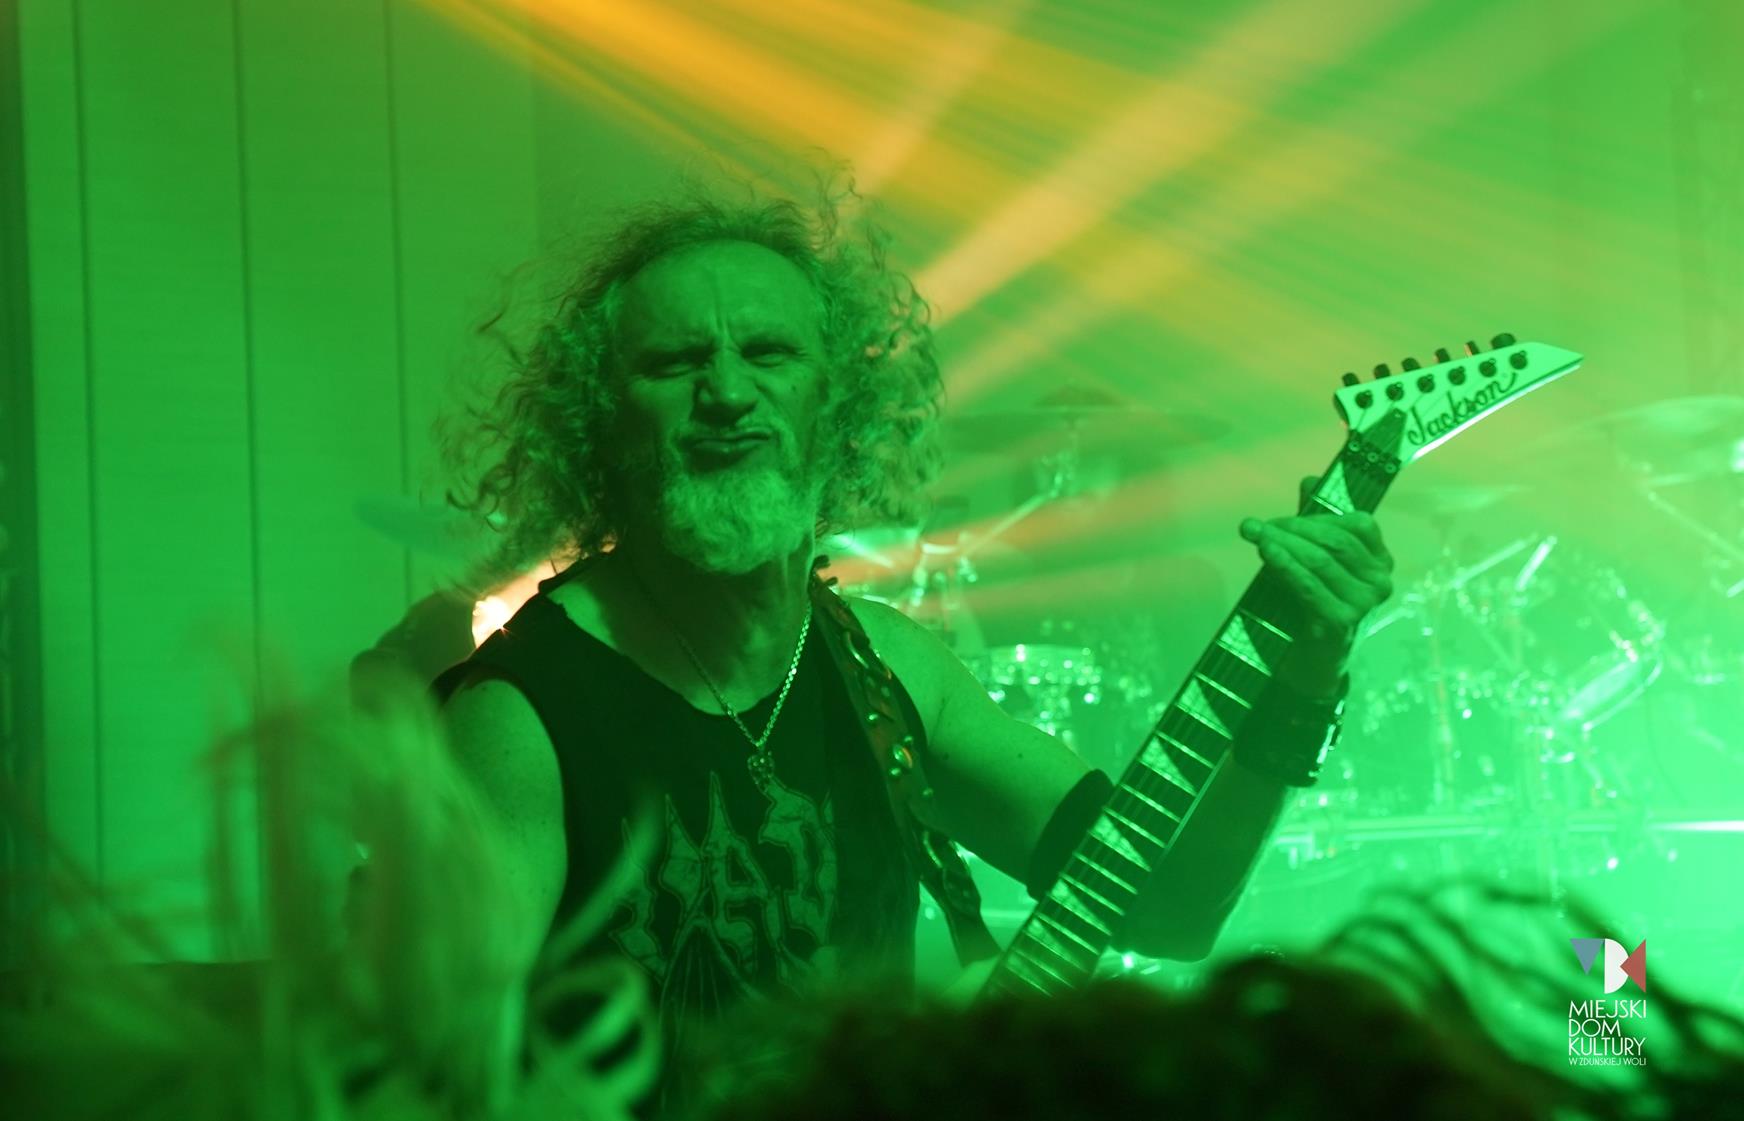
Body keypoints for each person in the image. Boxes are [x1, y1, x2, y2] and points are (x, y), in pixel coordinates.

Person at [434, 177, 1394, 1104]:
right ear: (602, 418)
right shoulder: (519, 720)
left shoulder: (889, 669)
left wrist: (1306, 675)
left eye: (769, 352)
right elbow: (442, 1079)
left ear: (837, 405)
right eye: (674, 362)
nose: (725, 391)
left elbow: (1172, 905)